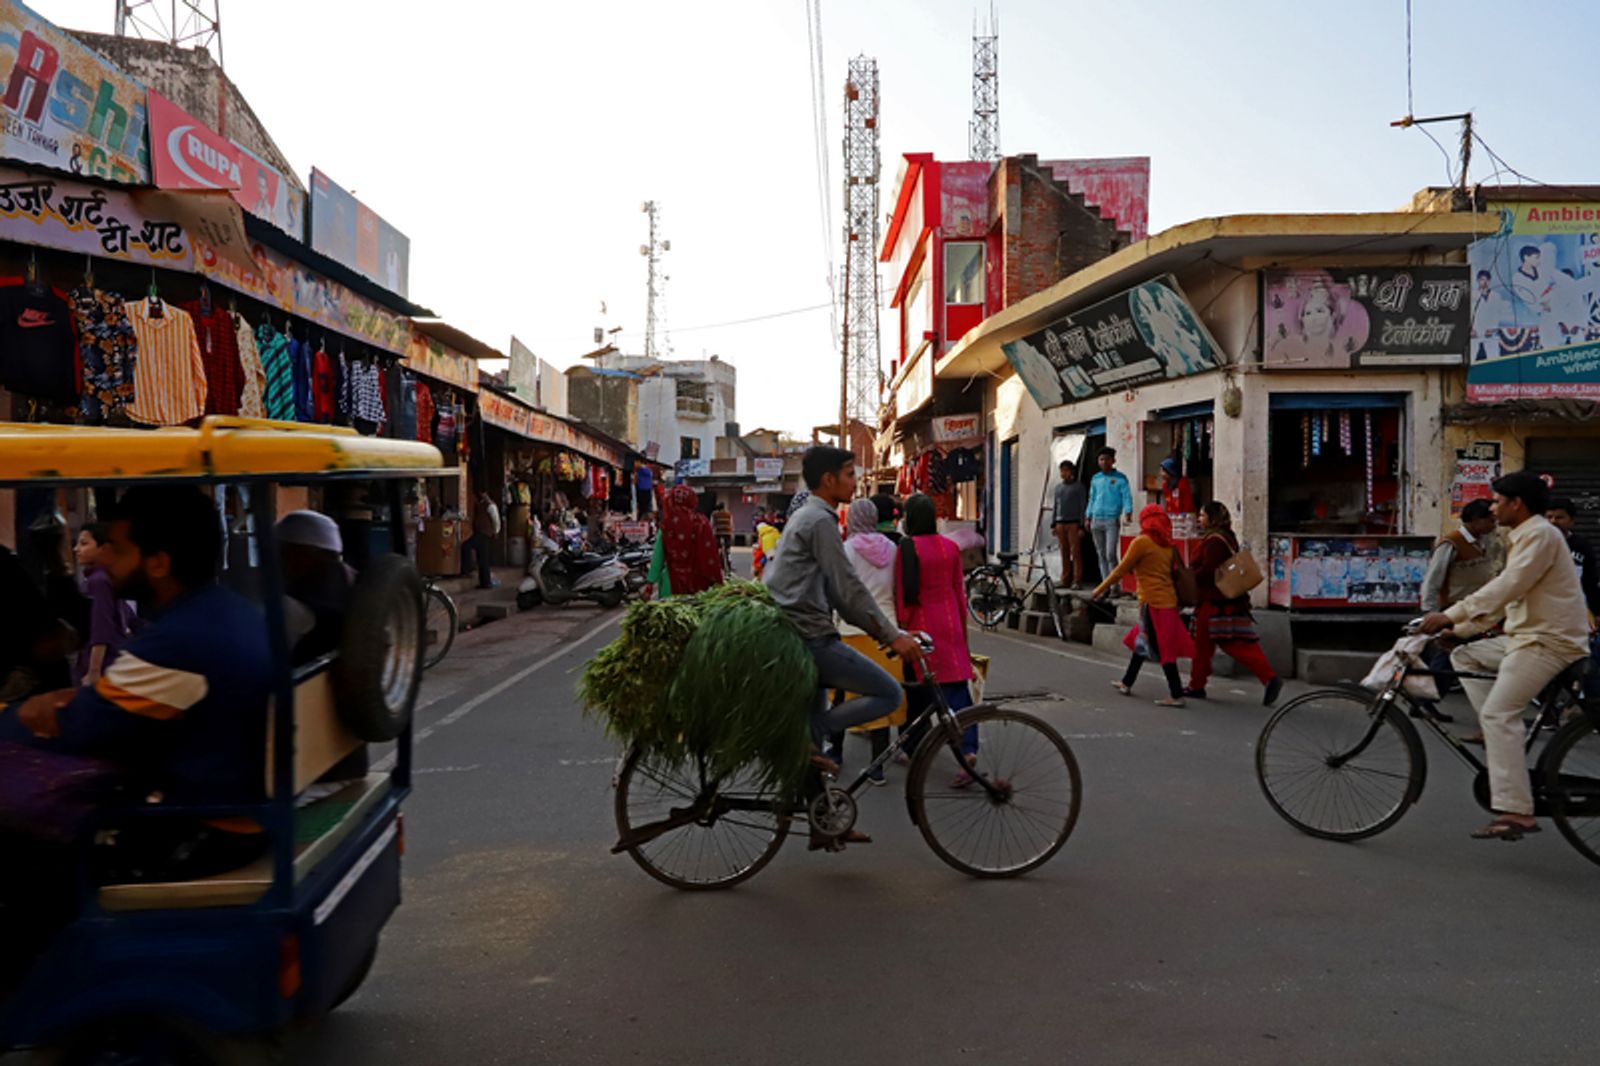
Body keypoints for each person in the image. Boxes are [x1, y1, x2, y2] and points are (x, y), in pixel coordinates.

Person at [0, 486, 275, 897]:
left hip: (201, 828)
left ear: (159, 563)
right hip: (226, 806)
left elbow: (81, 726)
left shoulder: (181, 639)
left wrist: (19, 715)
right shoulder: (224, 610)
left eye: (118, 549)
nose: (105, 558)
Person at [764, 447, 923, 849]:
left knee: (813, 746)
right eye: (850, 474)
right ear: (828, 480)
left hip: (797, 632)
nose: (855, 482)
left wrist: (880, 630)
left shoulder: (810, 516)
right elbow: (849, 590)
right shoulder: (819, 520)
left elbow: (839, 593)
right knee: (889, 693)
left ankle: (823, 823)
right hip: (808, 637)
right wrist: (893, 637)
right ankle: (812, 732)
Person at [1419, 471, 1592, 841]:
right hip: (1524, 637)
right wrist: (1460, 631)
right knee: (1464, 657)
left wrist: (1450, 614)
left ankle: (1517, 810)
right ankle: (1497, 734)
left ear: (1518, 504)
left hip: (1548, 641)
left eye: (1498, 501)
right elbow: (1510, 597)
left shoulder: (1540, 535)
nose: (1493, 508)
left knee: (1501, 713)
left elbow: (1507, 586)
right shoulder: (1522, 536)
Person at [895, 493, 980, 786]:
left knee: (921, 691)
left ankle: (913, 746)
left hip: (921, 627)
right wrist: (963, 629)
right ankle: (968, 751)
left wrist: (900, 627)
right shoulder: (950, 547)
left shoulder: (907, 548)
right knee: (958, 691)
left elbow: (903, 593)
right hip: (951, 623)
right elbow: (959, 591)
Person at [834, 498, 906, 785]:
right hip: (887, 632)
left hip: (852, 632)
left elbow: (839, 591)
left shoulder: (846, 549)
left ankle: (836, 755)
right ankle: (876, 767)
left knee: (841, 697)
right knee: (882, 699)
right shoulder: (892, 549)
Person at [1092, 504, 1194, 707]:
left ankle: (1176, 694)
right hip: (1168, 603)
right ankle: (1126, 682)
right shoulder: (1168, 545)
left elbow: (1119, 570)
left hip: (1152, 604)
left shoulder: (1141, 543)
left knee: (1162, 649)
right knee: (1142, 642)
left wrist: (1099, 589)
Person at [1182, 502, 1282, 706]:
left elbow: (1210, 571)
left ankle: (1197, 685)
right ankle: (1197, 684)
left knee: (1223, 645)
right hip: (1225, 602)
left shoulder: (1214, 542)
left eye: (1202, 516)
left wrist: (1188, 575)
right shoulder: (1226, 537)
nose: (1199, 519)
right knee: (1222, 645)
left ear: (1212, 518)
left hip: (1214, 603)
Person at [276, 510, 355, 662]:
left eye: (283, 552)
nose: (280, 561)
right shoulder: (355, 584)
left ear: (303, 555)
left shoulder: (289, 608)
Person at [1547, 496, 1600, 698]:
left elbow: (1590, 581)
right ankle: (1550, 709)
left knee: (1583, 658)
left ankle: (1587, 705)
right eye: (1549, 517)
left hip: (1576, 613)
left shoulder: (1582, 547)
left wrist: (1595, 610)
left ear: (1571, 521)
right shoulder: (1537, 544)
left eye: (1560, 517)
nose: (1553, 521)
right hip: (1545, 613)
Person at [72, 522, 136, 688]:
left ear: (103, 549)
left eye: (84, 543)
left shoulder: (99, 581)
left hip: (102, 663)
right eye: (77, 543)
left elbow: (101, 629)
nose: (76, 549)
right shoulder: (108, 578)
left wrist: (94, 671)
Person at [646, 484, 723, 599]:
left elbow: (658, 557)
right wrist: (717, 582)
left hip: (671, 585)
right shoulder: (702, 523)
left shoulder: (667, 525)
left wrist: (650, 584)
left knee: (671, 615)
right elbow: (711, 555)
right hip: (699, 586)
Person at [1085, 447, 1134, 588]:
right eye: (1101, 459)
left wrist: (1128, 511)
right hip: (1096, 519)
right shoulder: (1096, 479)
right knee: (1101, 555)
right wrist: (1088, 516)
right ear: (1098, 461)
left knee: (1110, 554)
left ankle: (1115, 585)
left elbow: (1126, 496)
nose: (1104, 462)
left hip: (1112, 520)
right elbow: (1092, 498)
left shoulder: (1120, 478)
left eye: (1107, 459)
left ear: (1113, 460)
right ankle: (1105, 585)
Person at [1051, 460, 1087, 588]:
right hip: (1060, 523)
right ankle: (1065, 579)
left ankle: (1077, 580)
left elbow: (1083, 506)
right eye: (1061, 470)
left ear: (1071, 471)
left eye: (1066, 470)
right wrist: (1053, 523)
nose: (1063, 473)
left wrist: (1082, 525)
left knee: (1075, 552)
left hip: (1074, 523)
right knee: (1064, 552)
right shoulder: (1058, 488)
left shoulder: (1079, 487)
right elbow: (1055, 506)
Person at [460, 489, 500, 590]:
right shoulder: (480, 504)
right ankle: (485, 582)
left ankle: (469, 570)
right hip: (480, 532)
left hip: (484, 533)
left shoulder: (490, 505)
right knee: (482, 558)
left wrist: (495, 531)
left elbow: (496, 519)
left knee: (467, 546)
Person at [712, 500, 734, 572]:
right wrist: (731, 531)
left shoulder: (714, 514)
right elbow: (731, 524)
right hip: (727, 533)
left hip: (718, 533)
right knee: (728, 550)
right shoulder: (728, 514)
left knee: (717, 550)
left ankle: (717, 564)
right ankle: (729, 565)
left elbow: (711, 524)